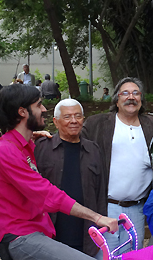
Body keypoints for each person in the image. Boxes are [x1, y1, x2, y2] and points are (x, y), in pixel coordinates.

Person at [0, 84, 117, 260]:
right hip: (21, 236)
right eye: (38, 105)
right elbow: (47, 194)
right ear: (22, 112)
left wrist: (30, 136)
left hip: (39, 232)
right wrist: (97, 217)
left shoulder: (26, 146)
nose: (44, 109)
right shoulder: (6, 150)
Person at [82, 77, 153, 253]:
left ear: (141, 99)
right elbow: (73, 140)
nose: (130, 97)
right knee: (105, 255)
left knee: (132, 256)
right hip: (106, 207)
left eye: (136, 93)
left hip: (137, 209)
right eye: (125, 93)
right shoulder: (98, 124)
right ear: (116, 100)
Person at [34, 99, 106, 257]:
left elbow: (101, 192)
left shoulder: (93, 150)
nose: (74, 121)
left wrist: (101, 224)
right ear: (56, 121)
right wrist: (29, 136)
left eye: (78, 116)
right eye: (67, 117)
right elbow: (11, 148)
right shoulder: (41, 147)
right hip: (51, 231)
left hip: (86, 232)